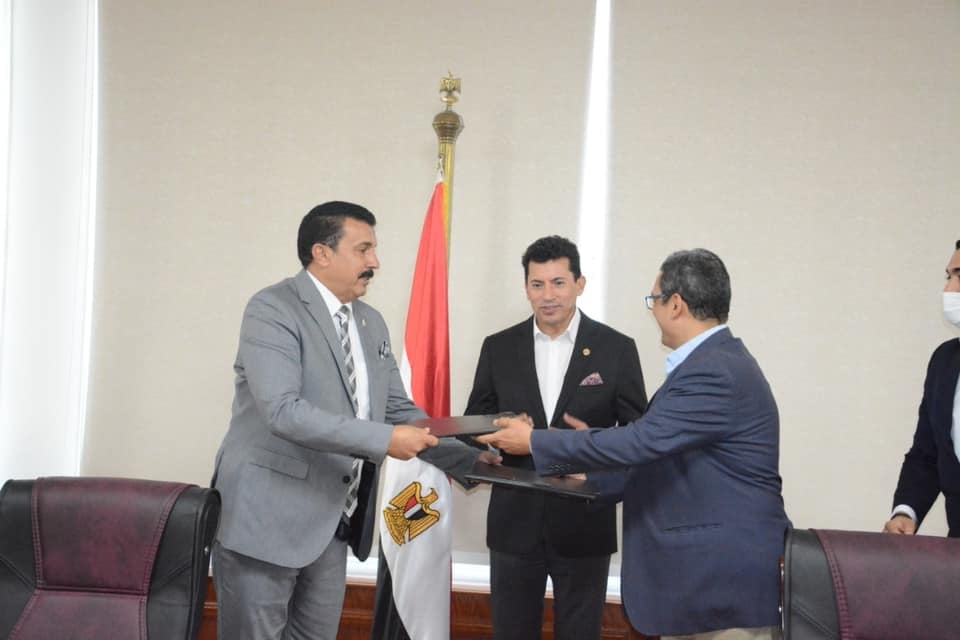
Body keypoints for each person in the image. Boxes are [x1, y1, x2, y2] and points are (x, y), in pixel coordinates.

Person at [478, 248, 791, 640]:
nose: (653, 310)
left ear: (675, 305)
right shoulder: (715, 362)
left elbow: (641, 439)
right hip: (706, 584)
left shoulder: (714, 371)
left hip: (722, 583)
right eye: (537, 284)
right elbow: (661, 457)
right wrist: (589, 469)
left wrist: (537, 442)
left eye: (653, 300)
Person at [211, 201, 485, 640]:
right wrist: (386, 439)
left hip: (333, 525)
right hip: (266, 521)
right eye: (363, 249)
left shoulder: (370, 322)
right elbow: (284, 412)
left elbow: (398, 410)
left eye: (373, 249)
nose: (375, 262)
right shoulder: (273, 309)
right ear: (322, 253)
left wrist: (477, 457)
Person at [464, 235, 648, 640]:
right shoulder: (499, 347)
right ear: (526, 288)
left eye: (558, 283)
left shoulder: (616, 349)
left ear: (579, 284)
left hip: (585, 524)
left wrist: (593, 452)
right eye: (537, 284)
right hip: (514, 525)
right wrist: (495, 437)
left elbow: (640, 437)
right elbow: (475, 424)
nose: (548, 295)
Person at [884, 239, 960, 538]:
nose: (948, 290)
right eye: (948, 277)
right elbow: (927, 454)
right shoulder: (945, 361)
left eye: (959, 276)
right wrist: (906, 511)